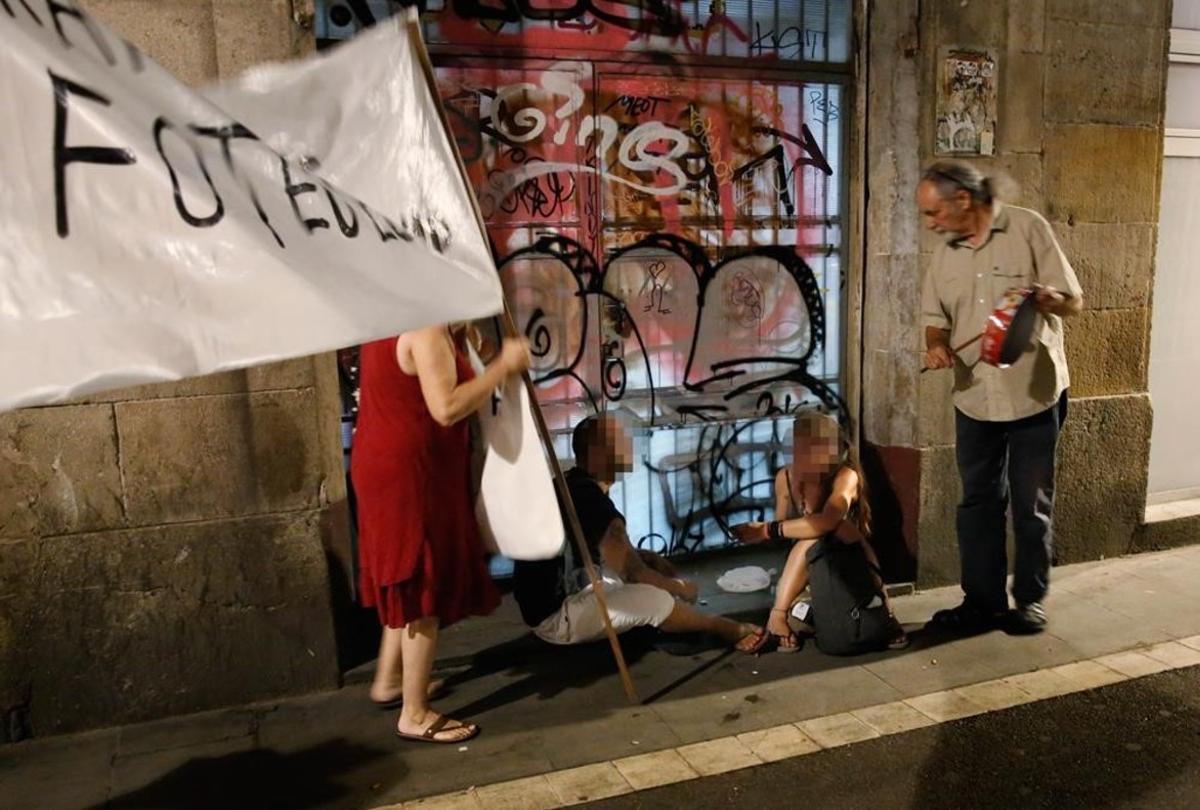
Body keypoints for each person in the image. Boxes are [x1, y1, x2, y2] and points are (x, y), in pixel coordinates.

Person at [917, 159, 1083, 634]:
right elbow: (936, 317)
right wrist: (935, 345)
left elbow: (1074, 299)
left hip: (1033, 392)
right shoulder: (945, 254)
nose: (930, 224)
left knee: (1030, 508)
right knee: (977, 504)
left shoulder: (1027, 227)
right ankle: (982, 600)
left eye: (933, 213)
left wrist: (1053, 300)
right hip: (973, 397)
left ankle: (1029, 599)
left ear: (962, 200)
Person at [351, 323, 530, 744]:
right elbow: (446, 407)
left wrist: (474, 338)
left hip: (386, 461)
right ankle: (414, 713)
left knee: (404, 575)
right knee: (421, 582)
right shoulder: (425, 329)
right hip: (412, 472)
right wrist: (502, 366)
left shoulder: (389, 319)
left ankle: (389, 681)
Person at [513, 414, 768, 653]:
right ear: (598, 453)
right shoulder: (589, 499)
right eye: (621, 441)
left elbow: (608, 555)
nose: (630, 447)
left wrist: (643, 558)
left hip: (558, 599)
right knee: (654, 598)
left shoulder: (572, 485)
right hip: (558, 618)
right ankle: (720, 626)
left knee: (643, 573)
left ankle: (667, 616)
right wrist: (679, 588)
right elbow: (634, 573)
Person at [731, 411, 905, 652]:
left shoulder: (845, 476)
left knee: (818, 534)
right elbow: (783, 530)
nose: (803, 458)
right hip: (808, 566)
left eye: (812, 450)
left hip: (848, 561)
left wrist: (767, 530)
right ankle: (800, 612)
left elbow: (826, 522)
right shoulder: (786, 477)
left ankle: (881, 611)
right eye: (799, 450)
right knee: (806, 604)